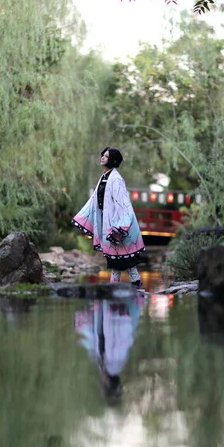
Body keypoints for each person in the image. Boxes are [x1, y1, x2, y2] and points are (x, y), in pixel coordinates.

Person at [71, 147, 145, 288]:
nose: (103, 158)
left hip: (117, 224)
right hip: (107, 222)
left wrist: (120, 225)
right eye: (103, 155)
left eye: (106, 156)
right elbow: (94, 200)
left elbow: (123, 203)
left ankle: (132, 283)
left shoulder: (116, 179)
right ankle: (124, 284)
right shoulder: (105, 177)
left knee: (124, 256)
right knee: (115, 256)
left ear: (113, 160)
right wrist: (84, 217)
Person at [75, 295, 144, 400]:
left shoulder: (118, 362)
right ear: (106, 381)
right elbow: (102, 339)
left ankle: (99, 304)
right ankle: (99, 303)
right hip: (111, 317)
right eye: (103, 384)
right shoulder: (109, 363)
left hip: (121, 316)